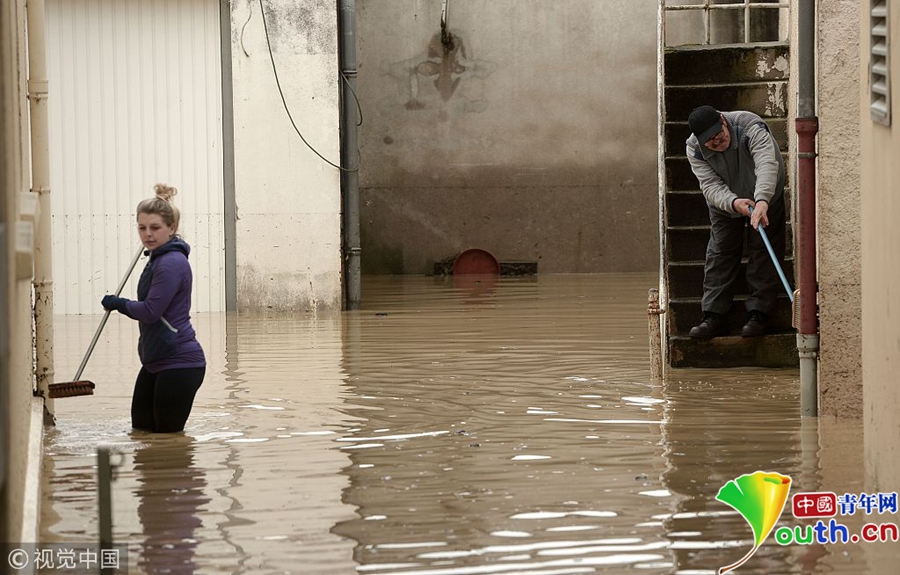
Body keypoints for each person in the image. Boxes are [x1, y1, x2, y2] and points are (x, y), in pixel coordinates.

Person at [101, 184, 206, 432]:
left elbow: (150, 312)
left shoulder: (170, 263)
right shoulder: (156, 258)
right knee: (141, 433)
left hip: (180, 362)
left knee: (168, 442)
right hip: (155, 360)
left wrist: (120, 304)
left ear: (172, 228)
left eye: (155, 228)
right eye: (142, 228)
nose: (147, 234)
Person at [685, 106, 787, 339]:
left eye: (718, 135)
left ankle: (758, 314)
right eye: (709, 142)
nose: (716, 142)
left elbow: (766, 163)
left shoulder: (750, 126)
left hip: (766, 195)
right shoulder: (694, 148)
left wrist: (762, 200)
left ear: (723, 121)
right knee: (720, 253)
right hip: (726, 202)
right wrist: (733, 203)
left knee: (763, 250)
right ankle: (713, 316)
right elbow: (709, 186)